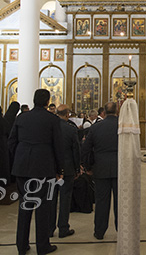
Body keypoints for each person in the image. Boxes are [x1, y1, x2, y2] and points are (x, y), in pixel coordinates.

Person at [9, 89, 64, 255]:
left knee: (24, 205)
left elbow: (11, 142)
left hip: (22, 167)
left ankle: (21, 246)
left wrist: (19, 159)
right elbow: (58, 145)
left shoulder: (21, 117)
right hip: (43, 167)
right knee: (43, 208)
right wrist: (59, 169)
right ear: (47, 102)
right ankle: (42, 246)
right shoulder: (52, 119)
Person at [81, 101, 119, 240]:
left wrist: (88, 167)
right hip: (119, 168)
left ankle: (99, 231)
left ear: (104, 112)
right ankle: (121, 230)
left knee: (101, 201)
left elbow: (85, 149)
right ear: (117, 111)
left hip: (100, 168)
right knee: (120, 202)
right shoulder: (122, 126)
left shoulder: (96, 127)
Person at [49, 105, 81, 239]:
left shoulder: (49, 128)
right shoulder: (70, 129)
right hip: (67, 168)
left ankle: (49, 229)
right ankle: (63, 228)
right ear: (67, 114)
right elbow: (76, 150)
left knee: (51, 198)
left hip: (51, 168)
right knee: (65, 198)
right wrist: (77, 168)